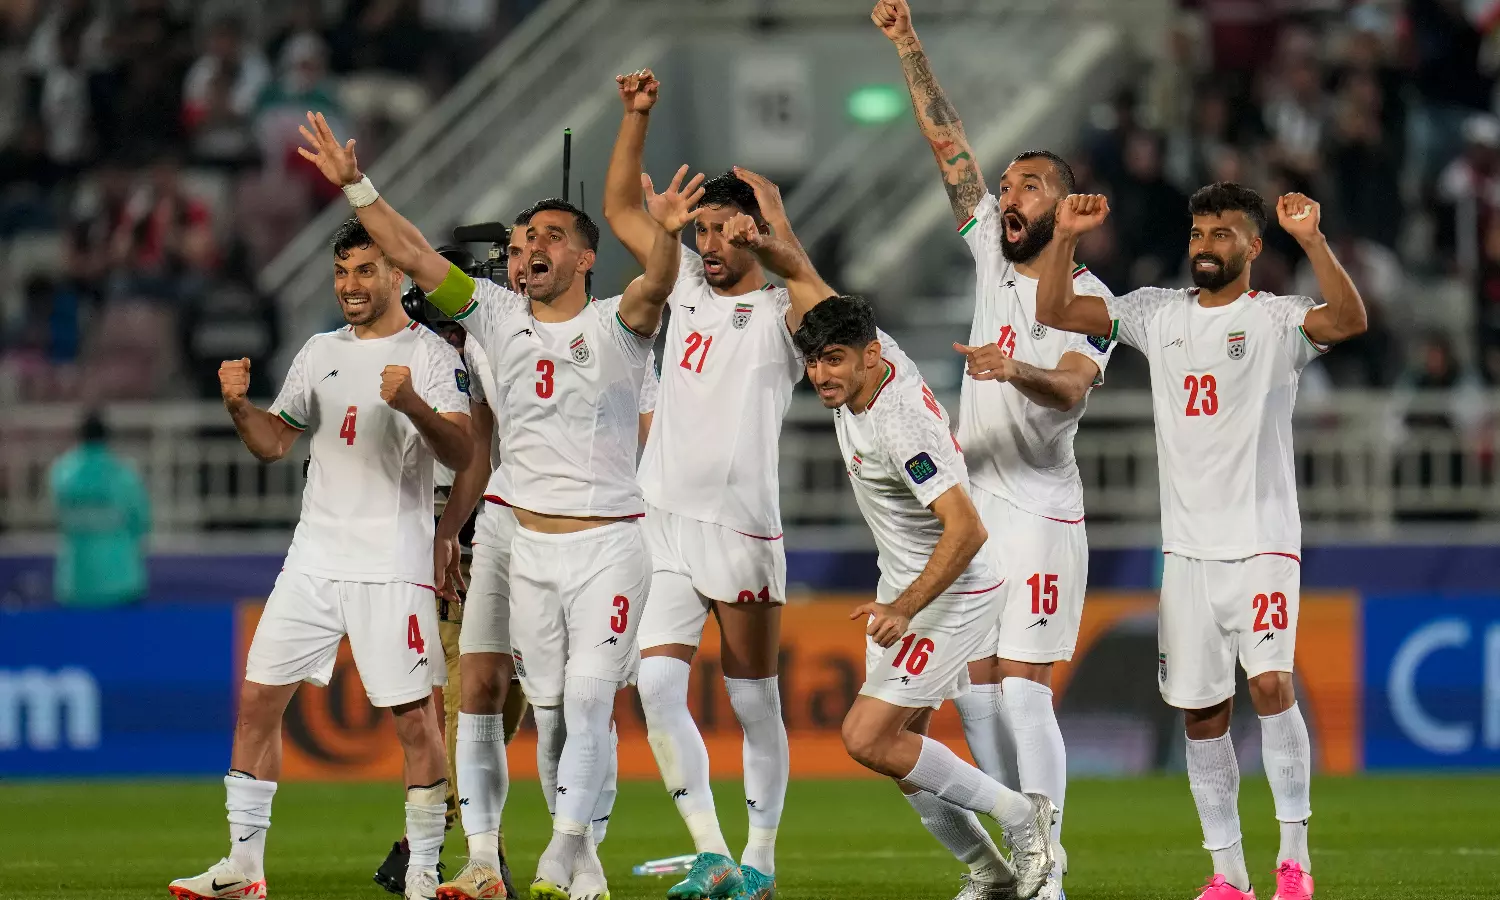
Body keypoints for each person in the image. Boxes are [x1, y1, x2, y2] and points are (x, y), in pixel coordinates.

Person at [296, 109, 701, 900]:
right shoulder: (493, 314)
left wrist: (665, 233)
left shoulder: (618, 326)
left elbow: (658, 283)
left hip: (605, 540)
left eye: (546, 238)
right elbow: (412, 254)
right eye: (517, 246)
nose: (526, 252)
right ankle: (484, 860)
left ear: (584, 257)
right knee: (479, 689)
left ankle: (572, 852)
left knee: (577, 705)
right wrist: (356, 185)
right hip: (512, 534)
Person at [1033, 184, 1368, 900]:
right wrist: (1063, 238)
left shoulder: (1275, 320)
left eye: (1222, 234)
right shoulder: (1156, 312)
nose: (1205, 246)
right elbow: (1057, 311)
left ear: (1253, 246)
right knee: (1202, 713)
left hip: (1263, 540)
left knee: (1271, 684)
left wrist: (1312, 239)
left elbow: (1349, 319)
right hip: (1187, 553)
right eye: (1197, 233)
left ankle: (1295, 861)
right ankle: (1228, 873)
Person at [873, 3, 1117, 896]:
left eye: (1029, 186)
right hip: (979, 510)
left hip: (1043, 511)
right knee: (975, 692)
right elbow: (948, 146)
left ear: (1065, 203)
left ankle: (1048, 871)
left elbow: (1073, 388)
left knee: (1022, 690)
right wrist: (908, 43)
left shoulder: (1093, 298)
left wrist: (1013, 368)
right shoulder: (987, 253)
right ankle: (1017, 856)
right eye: (1006, 185)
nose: (1008, 196)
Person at [169, 217, 474, 900]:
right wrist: (238, 407)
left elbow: (461, 452)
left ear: (397, 273)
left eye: (365, 270)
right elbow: (274, 443)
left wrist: (413, 405)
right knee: (257, 702)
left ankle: (423, 869)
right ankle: (243, 867)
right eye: (341, 272)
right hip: (312, 558)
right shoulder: (318, 351)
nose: (350, 285)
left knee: (414, 719)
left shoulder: (429, 354)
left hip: (391, 564)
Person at [603, 69, 819, 900]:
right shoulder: (685, 283)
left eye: (728, 232)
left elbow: (831, 310)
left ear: (755, 235)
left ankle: (761, 860)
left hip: (741, 530)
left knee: (754, 702)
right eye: (704, 231)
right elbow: (621, 210)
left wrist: (783, 232)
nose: (713, 245)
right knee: (655, 683)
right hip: (661, 521)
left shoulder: (783, 314)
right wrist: (636, 117)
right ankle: (712, 851)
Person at [782, 292, 1056, 900]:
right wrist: (777, 243)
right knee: (901, 754)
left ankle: (1023, 817)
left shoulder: (899, 424)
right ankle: (992, 875)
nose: (820, 375)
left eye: (832, 359)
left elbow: (967, 529)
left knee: (866, 737)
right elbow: (810, 284)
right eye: (812, 362)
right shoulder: (876, 365)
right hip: (906, 585)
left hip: (953, 591)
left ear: (869, 355)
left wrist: (904, 608)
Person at [48, 411, 151, 608]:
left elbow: (58, 517)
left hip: (75, 583)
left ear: (80, 437)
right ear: (106, 437)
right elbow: (140, 521)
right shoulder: (123, 474)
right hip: (120, 583)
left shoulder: (61, 473)